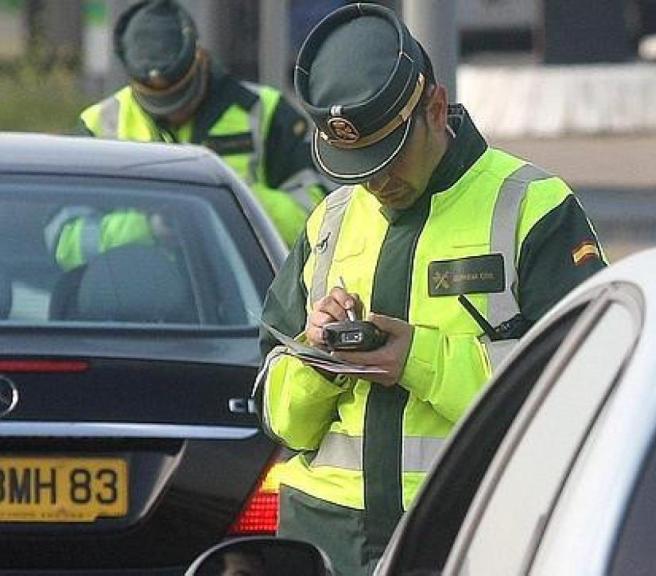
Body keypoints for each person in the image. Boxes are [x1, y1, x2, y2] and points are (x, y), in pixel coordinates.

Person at [253, 4, 607, 573]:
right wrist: (317, 358)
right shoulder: (329, 222)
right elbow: (279, 418)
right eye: (356, 164)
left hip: (470, 532)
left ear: (436, 108)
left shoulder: (532, 207)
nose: (375, 181)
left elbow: (581, 387)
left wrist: (419, 359)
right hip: (325, 544)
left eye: (388, 156)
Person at [68, 0, 325, 257]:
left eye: (182, 95)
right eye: (159, 103)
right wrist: (149, 223)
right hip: (127, 288)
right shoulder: (98, 126)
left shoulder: (264, 111)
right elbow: (68, 242)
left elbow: (318, 221)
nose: (175, 111)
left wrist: (234, 200)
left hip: (241, 288)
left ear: (199, 56)